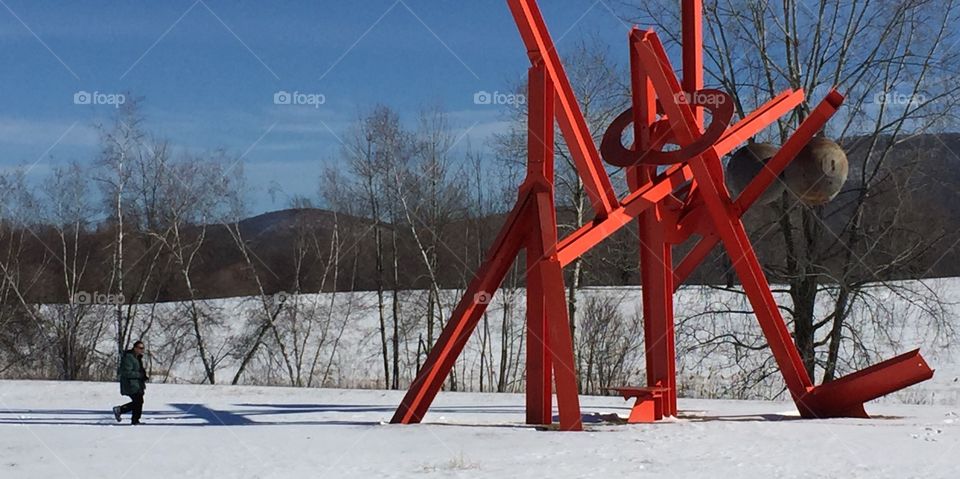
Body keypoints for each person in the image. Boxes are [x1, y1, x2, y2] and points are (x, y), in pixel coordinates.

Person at [113, 341, 148, 425]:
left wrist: (144, 376)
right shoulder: (128, 357)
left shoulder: (138, 358)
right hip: (130, 384)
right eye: (140, 348)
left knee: (139, 401)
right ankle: (120, 410)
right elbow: (126, 372)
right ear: (135, 348)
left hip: (138, 384)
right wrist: (139, 375)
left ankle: (135, 420)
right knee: (138, 401)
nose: (142, 350)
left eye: (143, 348)